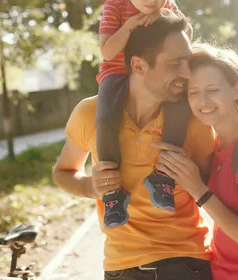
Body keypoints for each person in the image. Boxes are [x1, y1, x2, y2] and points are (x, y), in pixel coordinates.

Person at [52, 16, 216, 280]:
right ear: (138, 66)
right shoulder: (89, 113)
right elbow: (63, 172)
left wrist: (193, 178)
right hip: (121, 269)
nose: (186, 73)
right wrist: (88, 187)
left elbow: (216, 189)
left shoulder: (194, 121)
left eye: (188, 62)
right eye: (175, 64)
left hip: (186, 264)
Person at [152, 42, 238, 280]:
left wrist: (198, 189)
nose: (202, 101)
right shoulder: (219, 146)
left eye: (212, 90)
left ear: (235, 89)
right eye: (193, 92)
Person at [96, 0, 193, 229]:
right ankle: (113, 193)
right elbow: (107, 51)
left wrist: (169, 16)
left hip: (151, 78)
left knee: (180, 108)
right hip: (117, 74)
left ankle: (162, 176)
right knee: (106, 120)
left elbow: (186, 30)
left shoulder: (166, 7)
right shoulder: (115, 5)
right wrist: (131, 26)